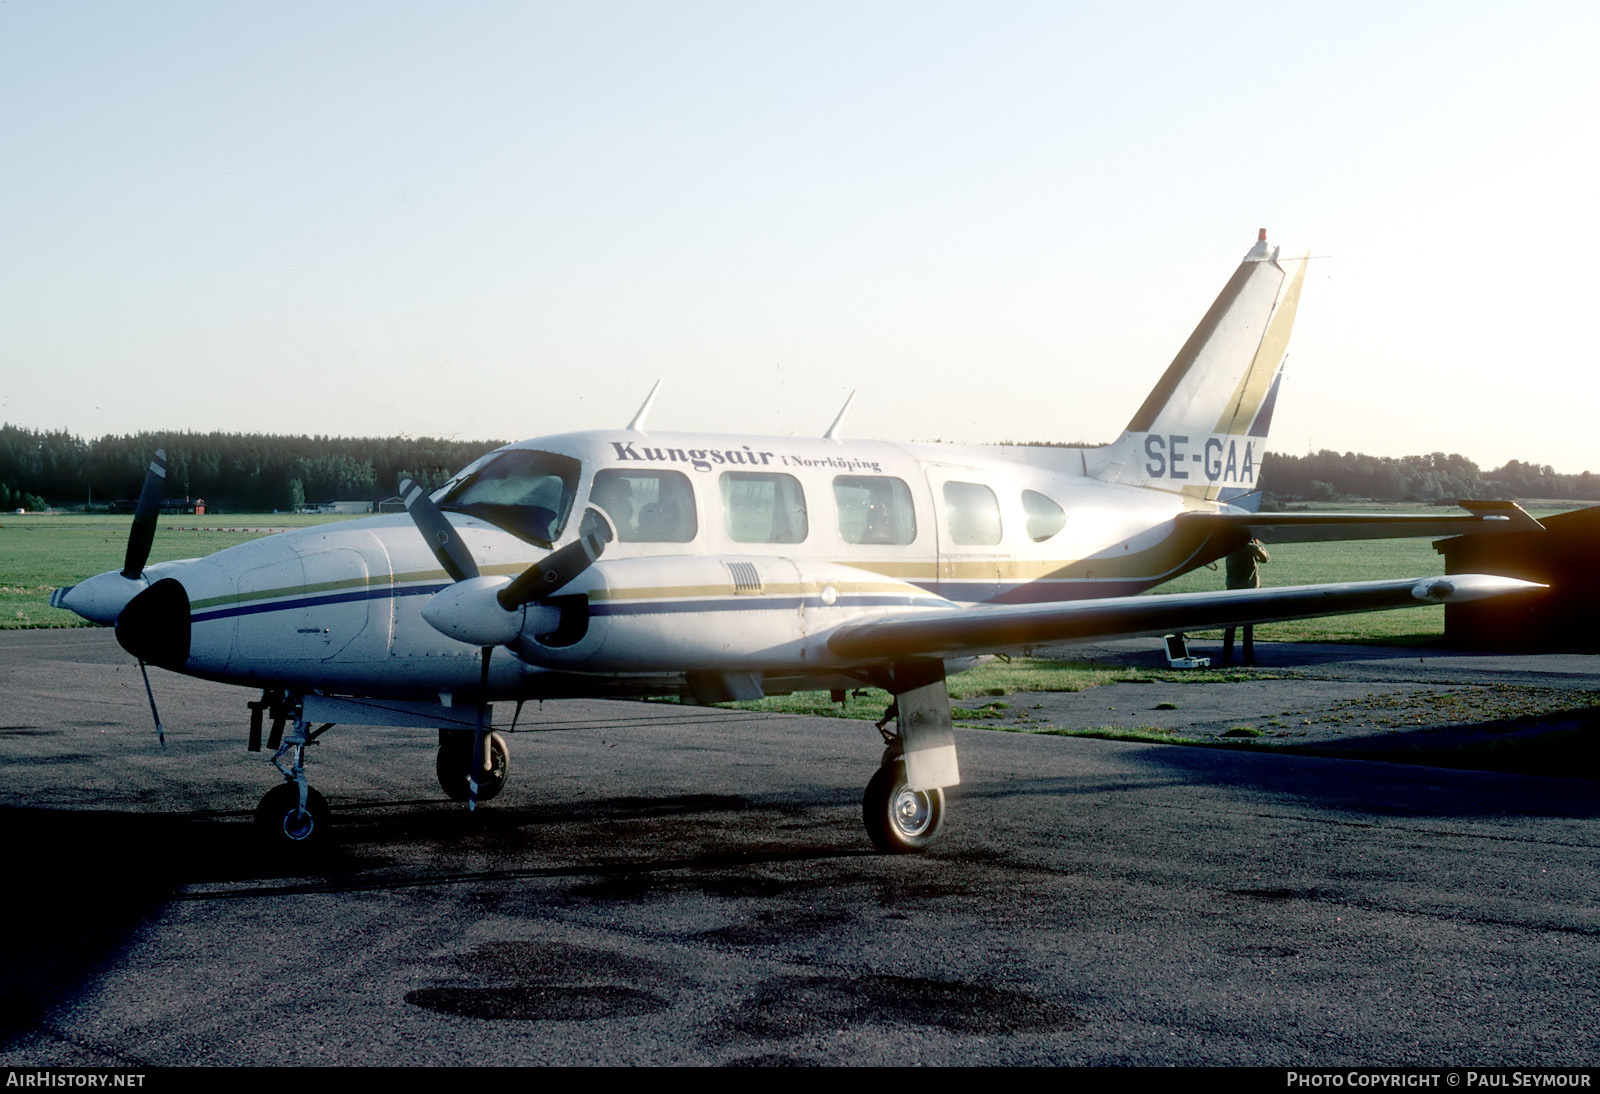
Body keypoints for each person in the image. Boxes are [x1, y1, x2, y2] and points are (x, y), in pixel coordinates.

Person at [1220, 538, 1270, 667]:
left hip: (1232, 590)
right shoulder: (1251, 548)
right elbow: (1266, 559)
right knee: (1248, 629)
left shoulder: (1229, 548)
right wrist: (1259, 547)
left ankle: (1226, 658)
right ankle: (1248, 659)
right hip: (1249, 591)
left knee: (1230, 628)